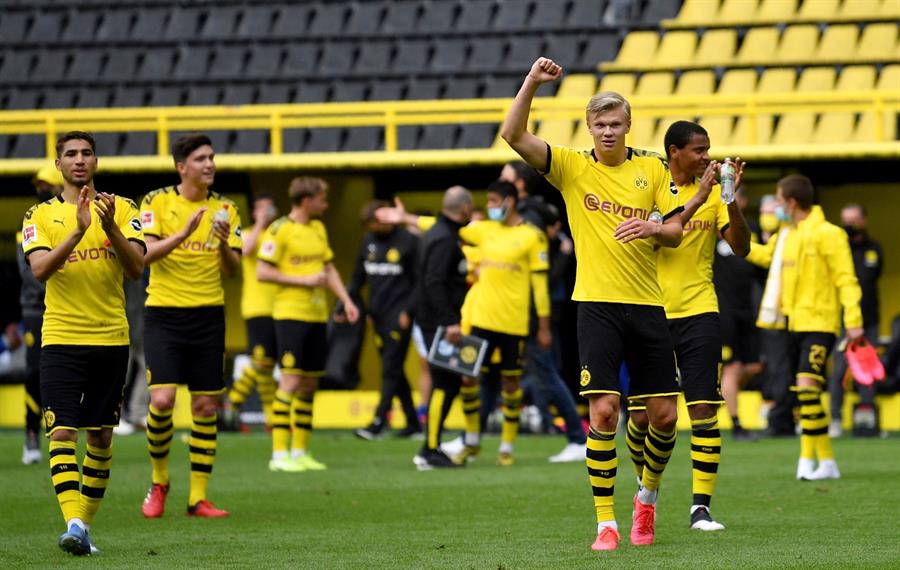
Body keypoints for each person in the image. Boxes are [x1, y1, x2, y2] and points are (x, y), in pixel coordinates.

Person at [501, 57, 685, 551]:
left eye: (615, 124)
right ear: (588, 127)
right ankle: (606, 523)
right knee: (604, 413)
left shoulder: (652, 167)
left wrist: (653, 227)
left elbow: (675, 231)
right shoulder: (571, 166)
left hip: (646, 304)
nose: (607, 131)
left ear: (628, 126)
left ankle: (646, 497)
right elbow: (512, 135)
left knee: (664, 417)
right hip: (596, 305)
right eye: (600, 124)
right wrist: (531, 82)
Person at [22, 131, 145, 555]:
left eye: (86, 153)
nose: (79, 160)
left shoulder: (123, 208)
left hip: (110, 337)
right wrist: (77, 232)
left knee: (101, 438)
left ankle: (83, 528)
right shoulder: (39, 215)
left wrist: (109, 227)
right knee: (61, 432)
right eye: (70, 154)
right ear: (58, 164)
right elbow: (40, 270)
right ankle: (73, 523)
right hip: (61, 337)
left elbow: (136, 268)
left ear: (96, 161)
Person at [628, 121, 751, 533]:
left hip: (700, 312)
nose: (706, 157)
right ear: (674, 152)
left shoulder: (715, 194)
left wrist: (731, 201)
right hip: (650, 311)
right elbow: (662, 238)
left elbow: (741, 247)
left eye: (708, 149)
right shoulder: (651, 191)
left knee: (702, 410)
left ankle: (701, 508)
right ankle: (646, 489)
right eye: (699, 150)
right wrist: (699, 200)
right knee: (642, 419)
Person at [139, 133, 242, 518]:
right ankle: (159, 480)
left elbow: (232, 270)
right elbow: (144, 255)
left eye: (212, 157)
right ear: (181, 167)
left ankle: (198, 497)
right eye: (201, 159)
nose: (210, 164)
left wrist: (222, 245)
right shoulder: (156, 201)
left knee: (205, 405)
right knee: (162, 401)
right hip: (164, 314)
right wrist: (182, 234)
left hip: (208, 315)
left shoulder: (227, 209)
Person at [746, 174, 863, 481]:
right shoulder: (788, 234)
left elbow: (846, 279)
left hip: (820, 324)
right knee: (803, 392)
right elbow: (766, 256)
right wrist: (734, 240)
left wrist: (853, 321)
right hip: (792, 323)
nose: (776, 207)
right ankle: (825, 461)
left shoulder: (830, 234)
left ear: (792, 202)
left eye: (778, 200)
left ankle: (808, 459)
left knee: (807, 387)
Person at [256, 177, 359, 472]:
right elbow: (263, 272)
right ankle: (279, 454)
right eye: (322, 199)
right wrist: (304, 280)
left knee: (310, 384)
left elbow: (328, 268)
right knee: (289, 381)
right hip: (290, 315)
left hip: (317, 315)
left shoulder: (318, 228)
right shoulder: (280, 229)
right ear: (306, 200)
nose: (325, 205)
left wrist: (346, 301)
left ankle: (300, 451)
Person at [448, 180, 551, 467]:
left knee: (510, 384)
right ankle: (471, 442)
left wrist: (544, 326)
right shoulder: (483, 229)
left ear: (510, 201)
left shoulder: (532, 236)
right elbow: (444, 226)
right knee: (467, 378)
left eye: (494, 201)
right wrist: (405, 218)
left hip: (513, 324)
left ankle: (506, 447)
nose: (490, 206)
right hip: (480, 320)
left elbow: (540, 287)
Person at [502, 163, 588, 463]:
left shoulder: (531, 217)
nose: (500, 183)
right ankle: (469, 439)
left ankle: (577, 436)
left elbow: (538, 271)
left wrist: (540, 321)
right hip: (519, 306)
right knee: (495, 373)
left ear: (520, 185)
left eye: (505, 178)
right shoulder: (529, 213)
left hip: (532, 308)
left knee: (545, 371)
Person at [411, 186, 474, 470]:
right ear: (465, 209)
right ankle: (430, 449)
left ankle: (431, 447)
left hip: (434, 320)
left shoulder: (438, 233)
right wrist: (449, 321)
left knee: (447, 383)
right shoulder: (444, 239)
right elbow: (434, 282)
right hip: (438, 323)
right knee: (444, 383)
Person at [350, 201, 422, 440]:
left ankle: (379, 421)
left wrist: (409, 311)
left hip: (399, 315)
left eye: (377, 222)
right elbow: (358, 277)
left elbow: (420, 282)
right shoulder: (368, 241)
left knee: (390, 367)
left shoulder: (409, 241)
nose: (374, 227)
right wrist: (346, 304)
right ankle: (412, 422)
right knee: (394, 368)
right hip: (377, 315)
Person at [16, 163, 64, 464]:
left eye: (46, 184)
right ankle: (31, 433)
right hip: (37, 309)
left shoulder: (71, 225)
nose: (41, 189)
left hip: (69, 310)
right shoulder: (29, 225)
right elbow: (31, 274)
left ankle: (62, 430)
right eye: (39, 185)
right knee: (34, 372)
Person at [713, 189, 765, 440]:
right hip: (724, 312)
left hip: (747, 309)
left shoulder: (750, 230)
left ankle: (721, 392)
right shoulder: (713, 230)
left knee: (754, 366)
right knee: (732, 367)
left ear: (743, 201)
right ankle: (736, 423)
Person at [225, 194, 280, 431]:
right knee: (261, 361)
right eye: (261, 209)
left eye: (269, 208)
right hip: (257, 307)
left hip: (280, 307)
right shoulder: (248, 233)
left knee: (267, 365)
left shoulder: (279, 233)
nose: (266, 213)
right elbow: (245, 251)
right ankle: (232, 403)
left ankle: (271, 419)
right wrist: (260, 224)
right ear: (255, 212)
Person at [827, 204, 883, 437]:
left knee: (868, 370)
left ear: (863, 221)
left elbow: (874, 277)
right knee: (839, 370)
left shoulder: (874, 249)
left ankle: (866, 421)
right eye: (845, 220)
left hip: (869, 321)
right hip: (843, 322)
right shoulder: (839, 249)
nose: (849, 225)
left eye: (853, 220)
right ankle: (836, 420)